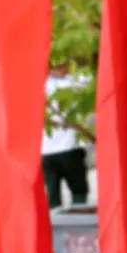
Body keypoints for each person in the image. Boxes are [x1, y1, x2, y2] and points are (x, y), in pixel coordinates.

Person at [42, 62, 91, 209]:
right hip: (70, 149)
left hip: (46, 152)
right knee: (79, 193)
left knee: (53, 200)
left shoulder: (36, 86)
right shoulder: (71, 83)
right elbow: (88, 76)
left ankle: (56, 223)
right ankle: (79, 222)